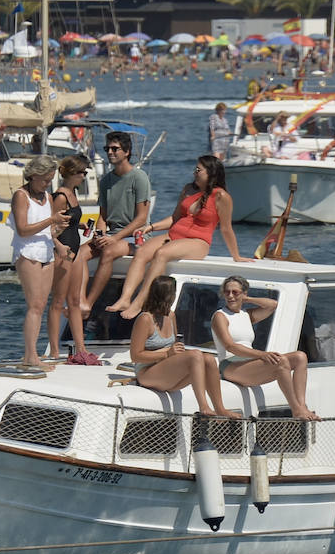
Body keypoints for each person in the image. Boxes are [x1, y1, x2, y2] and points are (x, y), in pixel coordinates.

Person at [109, 155, 247, 319]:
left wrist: (236, 255)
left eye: (198, 170)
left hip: (198, 241)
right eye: (195, 169)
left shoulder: (221, 197)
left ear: (211, 173)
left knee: (162, 254)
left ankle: (139, 303)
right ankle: (125, 299)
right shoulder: (188, 189)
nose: (194, 173)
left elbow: (226, 228)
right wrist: (151, 227)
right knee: (142, 252)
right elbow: (175, 218)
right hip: (173, 235)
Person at [210, 275, 317, 420]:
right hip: (230, 365)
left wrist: (247, 300)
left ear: (244, 293)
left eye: (235, 292)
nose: (230, 296)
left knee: (300, 357)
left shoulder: (245, 315)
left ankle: (302, 405)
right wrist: (261, 355)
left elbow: (272, 305)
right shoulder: (220, 316)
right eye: (227, 292)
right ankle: (296, 410)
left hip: (248, 363)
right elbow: (230, 346)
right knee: (281, 362)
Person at [131, 275, 237, 417]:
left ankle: (220, 408)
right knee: (195, 355)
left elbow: (174, 347)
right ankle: (203, 406)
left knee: (209, 359)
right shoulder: (145, 319)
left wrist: (175, 352)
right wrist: (167, 354)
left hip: (165, 372)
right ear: (170, 295)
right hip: (146, 372)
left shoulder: (171, 316)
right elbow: (135, 356)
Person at [9, 156, 68, 368]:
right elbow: (23, 229)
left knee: (41, 305)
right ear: (33, 176)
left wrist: (58, 235)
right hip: (28, 252)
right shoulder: (21, 196)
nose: (47, 184)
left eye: (50, 180)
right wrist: (52, 220)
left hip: (46, 252)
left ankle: (32, 354)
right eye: (44, 180)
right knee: (34, 305)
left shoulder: (48, 198)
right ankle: (30, 356)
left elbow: (47, 229)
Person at [85, 131, 152, 310]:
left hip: (135, 236)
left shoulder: (139, 178)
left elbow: (141, 218)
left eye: (115, 149)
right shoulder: (106, 180)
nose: (110, 152)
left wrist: (114, 238)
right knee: (78, 254)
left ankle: (89, 304)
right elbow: (103, 217)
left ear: (127, 151)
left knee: (108, 252)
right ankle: (77, 299)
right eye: (107, 148)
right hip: (113, 234)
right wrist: (100, 235)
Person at [49, 155, 93, 363]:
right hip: (63, 252)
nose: (84, 176)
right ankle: (54, 350)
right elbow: (50, 227)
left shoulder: (73, 194)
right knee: (58, 302)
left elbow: (68, 221)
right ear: (72, 174)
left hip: (74, 251)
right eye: (82, 172)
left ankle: (81, 348)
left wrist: (80, 225)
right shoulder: (60, 196)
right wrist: (59, 247)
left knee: (74, 301)